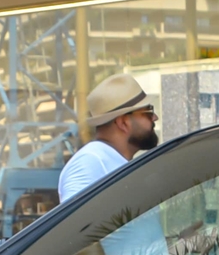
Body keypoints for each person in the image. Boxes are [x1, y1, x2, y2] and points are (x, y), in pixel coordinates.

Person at [58, 73, 160, 203]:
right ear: (123, 123)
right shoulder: (89, 163)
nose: (155, 117)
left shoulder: (105, 160)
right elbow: (75, 221)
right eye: (148, 112)